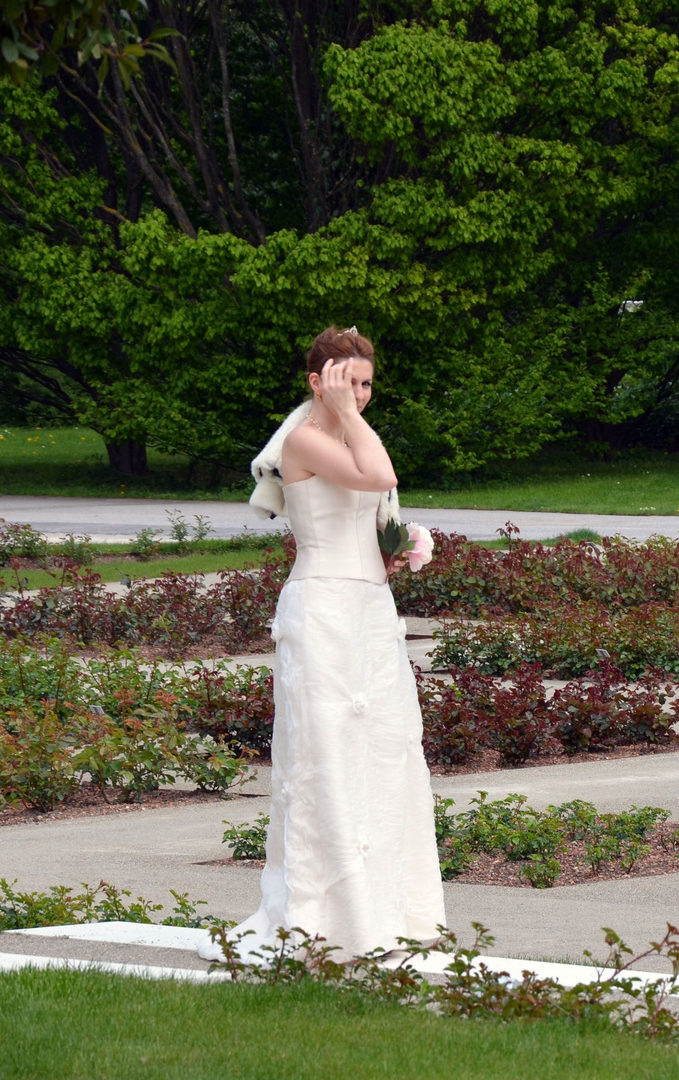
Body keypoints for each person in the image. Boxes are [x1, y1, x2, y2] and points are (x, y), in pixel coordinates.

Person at [199, 326, 446, 962]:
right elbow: (380, 473)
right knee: (327, 756)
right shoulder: (305, 439)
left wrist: (392, 554)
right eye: (347, 382)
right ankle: (333, 919)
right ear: (317, 381)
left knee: (385, 750)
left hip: (368, 609)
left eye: (365, 385)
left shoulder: (345, 432)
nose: (359, 396)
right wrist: (340, 413)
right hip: (324, 610)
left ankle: (392, 909)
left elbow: (372, 499)